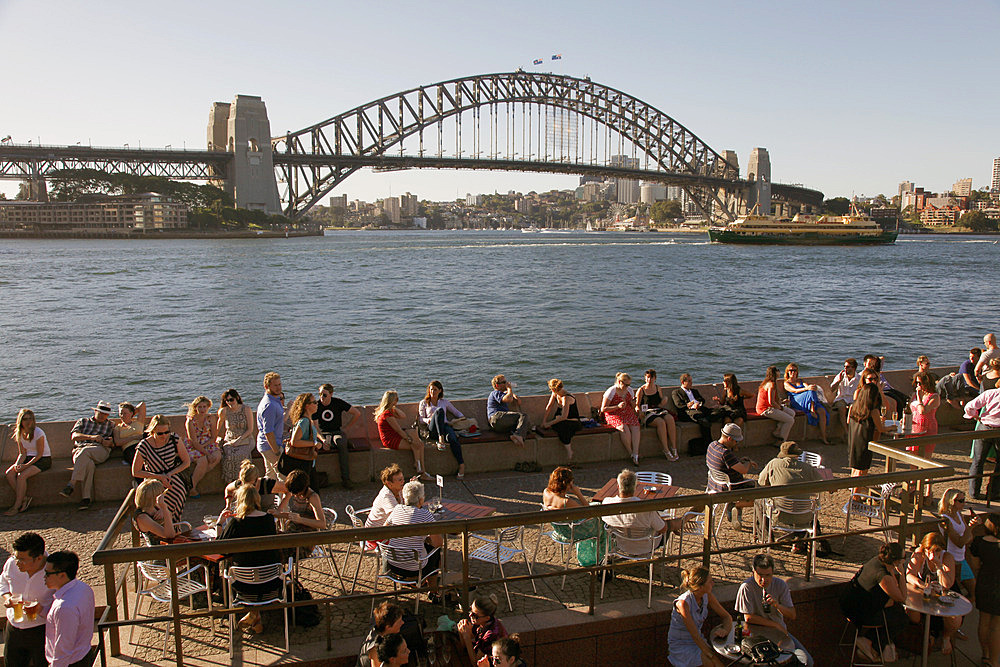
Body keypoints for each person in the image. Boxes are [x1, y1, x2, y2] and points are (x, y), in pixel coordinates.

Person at [217, 484, 282, 635]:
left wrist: (220, 523)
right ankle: (255, 614)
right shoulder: (268, 520)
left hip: (243, 585)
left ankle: (253, 614)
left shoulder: (236, 522)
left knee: (234, 568)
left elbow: (220, 547)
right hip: (271, 582)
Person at [735, 554, 813, 666]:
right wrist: (775, 625)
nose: (763, 579)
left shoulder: (780, 585)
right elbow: (748, 617)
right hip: (757, 636)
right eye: (760, 575)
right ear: (753, 572)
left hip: (780, 634)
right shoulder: (747, 587)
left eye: (768, 575)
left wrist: (777, 605)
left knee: (807, 662)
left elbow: (792, 614)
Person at [839, 542, 909, 662]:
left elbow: (893, 589)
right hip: (857, 612)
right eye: (904, 558)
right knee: (901, 619)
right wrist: (902, 574)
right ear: (896, 561)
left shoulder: (877, 561)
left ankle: (877, 646)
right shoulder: (883, 575)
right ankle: (870, 643)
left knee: (895, 610)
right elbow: (902, 597)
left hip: (852, 604)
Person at [383, 481, 444, 601]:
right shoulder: (425, 515)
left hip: (392, 564)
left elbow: (385, 530)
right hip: (414, 567)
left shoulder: (396, 509)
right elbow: (438, 543)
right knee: (435, 552)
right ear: (421, 500)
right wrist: (425, 538)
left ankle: (414, 583)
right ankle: (433, 591)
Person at [757, 441, 824, 550]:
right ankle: (799, 540)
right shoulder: (807, 468)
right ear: (798, 455)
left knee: (759, 501)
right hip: (804, 516)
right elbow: (820, 484)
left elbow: (761, 481)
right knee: (807, 504)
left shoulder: (774, 464)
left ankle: (765, 537)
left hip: (779, 515)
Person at [1, 532, 54, 667]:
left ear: (38, 558)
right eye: (16, 557)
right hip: (14, 627)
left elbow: (65, 599)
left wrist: (40, 609)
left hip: (41, 629)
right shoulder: (12, 563)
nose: (17, 563)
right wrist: (7, 597)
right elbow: (3, 580)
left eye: (22, 560)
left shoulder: (54, 570)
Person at [905, 531, 962, 655]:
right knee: (913, 611)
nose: (933, 554)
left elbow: (947, 584)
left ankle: (946, 637)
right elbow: (909, 575)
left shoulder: (946, 557)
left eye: (937, 550)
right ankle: (926, 634)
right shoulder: (919, 554)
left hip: (944, 593)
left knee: (955, 618)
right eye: (930, 550)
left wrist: (939, 566)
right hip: (925, 591)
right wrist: (922, 584)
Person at [666, 565, 731, 667]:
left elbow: (727, 617)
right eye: (710, 582)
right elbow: (694, 635)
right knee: (712, 663)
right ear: (700, 587)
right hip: (682, 645)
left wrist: (725, 630)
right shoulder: (683, 604)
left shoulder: (707, 596)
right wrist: (711, 656)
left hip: (698, 641)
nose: (713, 584)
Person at [131, 414, 191, 523]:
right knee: (154, 507)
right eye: (160, 433)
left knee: (179, 491)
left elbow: (186, 462)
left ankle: (174, 526)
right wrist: (159, 477)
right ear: (152, 431)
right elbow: (136, 472)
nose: (164, 436)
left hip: (171, 476)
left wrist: (169, 474)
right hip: (153, 479)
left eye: (166, 432)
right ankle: (156, 529)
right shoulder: (144, 445)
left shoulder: (174, 439)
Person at [59, 401, 116, 511]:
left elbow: (113, 443)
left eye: (105, 414)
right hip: (80, 449)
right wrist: (92, 437)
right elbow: (74, 436)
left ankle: (71, 484)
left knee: (85, 453)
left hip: (100, 450)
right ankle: (86, 499)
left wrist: (107, 442)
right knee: (88, 464)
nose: (103, 416)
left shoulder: (111, 425)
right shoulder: (83, 421)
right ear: (95, 411)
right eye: (100, 413)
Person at [43, 551, 94, 667]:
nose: (44, 577)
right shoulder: (83, 588)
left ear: (62, 575)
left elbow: (64, 648)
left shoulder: (64, 607)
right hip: (84, 654)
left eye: (47, 573)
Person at [706, 423, 756, 529]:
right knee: (759, 493)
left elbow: (731, 464)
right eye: (736, 441)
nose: (736, 444)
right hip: (731, 487)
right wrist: (748, 461)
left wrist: (741, 461)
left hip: (715, 483)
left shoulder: (712, 445)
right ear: (729, 438)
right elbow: (744, 470)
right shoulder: (725, 453)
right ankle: (735, 505)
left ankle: (735, 515)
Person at [966, 513, 1000, 667]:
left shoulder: (979, 542)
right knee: (996, 626)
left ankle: (985, 655)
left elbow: (975, 565)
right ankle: (994, 661)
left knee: (984, 622)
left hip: (984, 583)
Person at [375, 390, 432, 482]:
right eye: (396, 399)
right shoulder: (387, 414)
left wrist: (394, 407)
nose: (397, 401)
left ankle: (418, 466)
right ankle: (422, 471)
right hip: (390, 440)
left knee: (417, 440)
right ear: (391, 400)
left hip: (394, 436)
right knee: (417, 445)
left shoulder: (389, 411)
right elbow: (398, 429)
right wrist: (409, 440)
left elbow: (403, 416)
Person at [314, 382, 361, 490]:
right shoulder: (316, 406)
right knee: (319, 446)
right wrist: (322, 439)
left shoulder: (337, 403)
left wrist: (346, 428)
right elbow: (315, 427)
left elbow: (357, 413)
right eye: (320, 394)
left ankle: (346, 479)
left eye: (324, 395)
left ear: (331, 394)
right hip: (322, 434)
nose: (322, 397)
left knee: (340, 442)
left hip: (336, 432)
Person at [4, 409, 51, 516]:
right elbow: (22, 453)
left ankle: (17, 505)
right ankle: (24, 498)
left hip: (43, 459)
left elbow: (39, 454)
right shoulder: (19, 433)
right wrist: (17, 464)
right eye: (25, 419)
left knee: (22, 476)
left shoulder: (38, 432)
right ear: (20, 421)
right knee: (10, 473)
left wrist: (25, 466)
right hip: (28, 457)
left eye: (31, 418)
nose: (28, 421)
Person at [937, 488, 980, 603]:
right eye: (960, 501)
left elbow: (968, 538)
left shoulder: (959, 514)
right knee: (952, 591)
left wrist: (969, 530)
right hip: (951, 560)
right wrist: (971, 528)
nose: (963, 503)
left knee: (973, 590)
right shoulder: (945, 519)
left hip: (961, 558)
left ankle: (961, 612)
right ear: (951, 501)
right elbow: (960, 542)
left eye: (964, 500)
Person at [419, 380, 466, 478]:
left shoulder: (445, 402)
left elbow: (458, 413)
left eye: (435, 390)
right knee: (439, 411)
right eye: (431, 389)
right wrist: (428, 420)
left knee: (453, 439)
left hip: (444, 426)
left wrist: (453, 421)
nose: (433, 392)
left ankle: (461, 465)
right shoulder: (424, 403)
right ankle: (441, 439)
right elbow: (420, 419)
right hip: (432, 429)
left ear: (440, 391)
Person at [542, 466, 600, 545]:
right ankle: (601, 552)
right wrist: (579, 494)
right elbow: (588, 513)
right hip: (572, 532)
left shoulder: (546, 492)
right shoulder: (567, 502)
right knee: (601, 519)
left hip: (559, 529)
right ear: (567, 483)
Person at [964, 382, 1000, 501]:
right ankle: (994, 492)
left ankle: (974, 492)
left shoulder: (990, 393)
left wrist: (975, 416)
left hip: (985, 427)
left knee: (978, 461)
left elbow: (969, 406)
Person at [670, 373, 723, 449]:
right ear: (683, 382)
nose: (691, 383)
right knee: (703, 420)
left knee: (720, 411)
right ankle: (710, 445)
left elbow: (702, 400)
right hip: (688, 412)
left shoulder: (694, 391)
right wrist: (689, 405)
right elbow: (678, 404)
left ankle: (707, 419)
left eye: (691, 381)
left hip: (700, 409)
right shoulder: (676, 392)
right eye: (689, 381)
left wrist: (699, 404)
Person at [281, 393, 323, 489]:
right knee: (311, 492)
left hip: (308, 460)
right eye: (314, 402)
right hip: (304, 461)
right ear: (307, 406)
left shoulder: (307, 420)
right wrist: (314, 444)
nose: (317, 404)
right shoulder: (304, 422)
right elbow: (295, 442)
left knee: (310, 491)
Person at [635, 369, 678, 461]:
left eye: (651, 378)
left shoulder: (658, 388)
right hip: (647, 412)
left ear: (655, 378)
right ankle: (666, 450)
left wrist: (664, 401)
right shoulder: (641, 390)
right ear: (645, 378)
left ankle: (674, 447)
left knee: (670, 419)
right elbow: (637, 405)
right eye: (647, 378)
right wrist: (639, 412)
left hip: (658, 410)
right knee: (661, 422)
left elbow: (660, 402)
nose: (649, 380)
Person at [783, 363, 830, 445]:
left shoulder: (801, 381)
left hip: (809, 399)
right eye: (791, 371)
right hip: (797, 400)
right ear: (787, 372)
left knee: (822, 411)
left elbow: (808, 387)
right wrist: (807, 388)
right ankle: (812, 409)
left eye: (794, 370)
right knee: (810, 391)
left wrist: (811, 387)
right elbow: (795, 391)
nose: (793, 372)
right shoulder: (786, 383)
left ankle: (823, 436)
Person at [216, 388, 256, 484]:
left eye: (232, 399)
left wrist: (239, 439)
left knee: (242, 455)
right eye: (228, 400)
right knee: (229, 456)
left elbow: (250, 429)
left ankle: (245, 481)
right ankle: (232, 483)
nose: (230, 402)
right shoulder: (224, 411)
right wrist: (215, 438)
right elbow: (218, 425)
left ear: (237, 398)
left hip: (246, 438)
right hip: (230, 439)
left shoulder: (246, 409)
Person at [184, 395, 220, 498]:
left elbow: (214, 437)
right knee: (203, 460)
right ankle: (192, 488)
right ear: (195, 408)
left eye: (204, 407)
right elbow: (194, 442)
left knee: (217, 457)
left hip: (208, 443)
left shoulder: (211, 418)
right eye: (200, 407)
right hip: (194, 445)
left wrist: (205, 446)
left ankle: (194, 478)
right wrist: (207, 453)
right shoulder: (190, 421)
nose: (202, 409)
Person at [540, 378, 584, 463]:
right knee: (556, 425)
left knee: (562, 428)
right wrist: (544, 421)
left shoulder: (566, 398)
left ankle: (569, 451)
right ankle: (568, 450)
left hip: (572, 421)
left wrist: (549, 423)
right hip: (560, 418)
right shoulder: (555, 393)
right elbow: (549, 406)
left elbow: (564, 416)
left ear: (552, 389)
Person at [602, 372, 642, 465]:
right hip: (613, 413)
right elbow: (603, 409)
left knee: (636, 427)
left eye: (629, 385)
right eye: (625, 384)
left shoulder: (629, 391)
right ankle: (630, 453)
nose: (627, 387)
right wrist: (618, 406)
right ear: (619, 382)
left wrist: (633, 403)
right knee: (624, 428)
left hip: (626, 412)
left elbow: (632, 406)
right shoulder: (611, 391)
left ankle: (636, 453)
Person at [456, 594, 507, 665]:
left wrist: (466, 637)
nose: (470, 615)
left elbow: (476, 663)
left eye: (475, 615)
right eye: (470, 610)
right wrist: (461, 631)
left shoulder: (492, 634)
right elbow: (464, 649)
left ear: (487, 618)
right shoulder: (480, 623)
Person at [847, 384, 885, 479]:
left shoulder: (854, 407)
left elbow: (848, 421)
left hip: (854, 440)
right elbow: (881, 429)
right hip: (865, 441)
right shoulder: (873, 411)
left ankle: (853, 490)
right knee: (862, 471)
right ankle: (856, 493)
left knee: (855, 468)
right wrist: (892, 427)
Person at [273, 468, 326, 533]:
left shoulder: (312, 497)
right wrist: (278, 514)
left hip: (306, 532)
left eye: (296, 493)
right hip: (294, 528)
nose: (293, 495)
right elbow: (294, 516)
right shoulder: (294, 491)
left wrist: (300, 520)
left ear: (303, 488)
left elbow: (322, 524)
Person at [487, 374, 531, 448]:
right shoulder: (495, 393)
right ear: (497, 386)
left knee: (526, 426)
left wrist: (513, 395)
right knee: (523, 416)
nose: (506, 384)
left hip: (500, 424)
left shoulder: (504, 394)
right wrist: (509, 389)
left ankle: (515, 437)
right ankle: (518, 436)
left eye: (506, 381)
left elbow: (519, 402)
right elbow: (508, 399)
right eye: (504, 382)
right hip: (496, 418)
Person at [256, 372, 285, 480]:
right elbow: (268, 431)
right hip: (270, 446)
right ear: (267, 387)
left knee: (271, 477)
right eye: (275, 385)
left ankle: (266, 496)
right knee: (283, 475)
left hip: (267, 445)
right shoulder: (269, 405)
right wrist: (276, 451)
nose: (278, 388)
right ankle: (284, 497)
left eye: (279, 384)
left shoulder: (275, 401)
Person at [132, 479, 177, 547]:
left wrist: (163, 511)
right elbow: (169, 535)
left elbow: (170, 517)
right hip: (158, 550)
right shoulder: (142, 517)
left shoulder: (154, 507)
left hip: (167, 544)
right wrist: (164, 509)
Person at [757, 366, 796, 446]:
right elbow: (771, 402)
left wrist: (781, 402)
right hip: (765, 409)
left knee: (792, 413)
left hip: (770, 407)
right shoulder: (771, 384)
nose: (779, 372)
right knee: (790, 420)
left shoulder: (767, 382)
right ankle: (782, 441)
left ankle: (778, 431)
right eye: (777, 371)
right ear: (774, 373)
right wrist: (780, 408)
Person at [357, 601, 404, 667]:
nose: (402, 623)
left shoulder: (380, 628)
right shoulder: (375, 647)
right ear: (388, 627)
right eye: (399, 622)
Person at [907, 371, 941, 453]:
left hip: (927, 426)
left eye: (920, 383)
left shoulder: (934, 397)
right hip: (914, 426)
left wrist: (919, 397)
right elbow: (910, 409)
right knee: (913, 454)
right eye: (916, 383)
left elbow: (923, 411)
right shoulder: (914, 395)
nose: (918, 385)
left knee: (925, 454)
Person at [863, 355, 906, 419]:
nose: (871, 365)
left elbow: (882, 358)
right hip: (884, 390)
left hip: (890, 389)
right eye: (869, 363)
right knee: (897, 402)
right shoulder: (864, 374)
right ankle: (898, 420)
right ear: (865, 364)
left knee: (905, 399)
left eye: (872, 363)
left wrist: (875, 360)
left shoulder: (876, 370)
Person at [366, 464, 406, 528]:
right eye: (400, 480)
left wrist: (414, 487)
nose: (403, 481)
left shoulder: (398, 489)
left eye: (403, 479)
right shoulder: (386, 495)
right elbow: (397, 517)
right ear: (389, 484)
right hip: (376, 533)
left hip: (386, 529)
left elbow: (412, 501)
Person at [830, 358, 860, 438]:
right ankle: (846, 432)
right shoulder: (840, 376)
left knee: (853, 408)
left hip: (853, 400)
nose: (845, 369)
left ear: (853, 368)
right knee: (841, 408)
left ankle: (853, 431)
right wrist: (838, 381)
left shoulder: (859, 378)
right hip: (841, 399)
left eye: (848, 367)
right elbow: (832, 389)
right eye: (845, 366)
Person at [113, 401, 147, 466]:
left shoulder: (138, 422)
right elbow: (117, 442)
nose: (122, 416)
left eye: (125, 413)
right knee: (138, 461)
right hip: (129, 449)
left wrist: (132, 413)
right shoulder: (118, 428)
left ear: (131, 413)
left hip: (142, 446)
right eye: (121, 413)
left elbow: (142, 405)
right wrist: (134, 437)